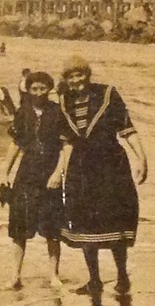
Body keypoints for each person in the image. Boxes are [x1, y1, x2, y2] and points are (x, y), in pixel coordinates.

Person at [56, 56, 147, 293]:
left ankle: (122, 277)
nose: (77, 81)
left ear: (88, 74)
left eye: (80, 75)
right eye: (71, 76)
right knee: (85, 223)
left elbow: (126, 129)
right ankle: (94, 280)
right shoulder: (64, 101)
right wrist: (60, 172)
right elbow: (66, 142)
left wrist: (142, 158)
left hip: (110, 165)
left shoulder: (108, 94)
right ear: (65, 79)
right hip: (81, 168)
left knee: (114, 220)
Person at [1, 70, 64, 288]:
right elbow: (16, 144)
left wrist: (58, 173)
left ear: (50, 89)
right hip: (26, 174)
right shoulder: (23, 112)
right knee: (19, 227)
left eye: (42, 88)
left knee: (52, 229)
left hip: (50, 175)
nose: (38, 92)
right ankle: (15, 276)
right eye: (34, 89)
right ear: (28, 90)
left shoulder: (58, 112)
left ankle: (54, 276)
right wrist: (4, 173)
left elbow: (66, 146)